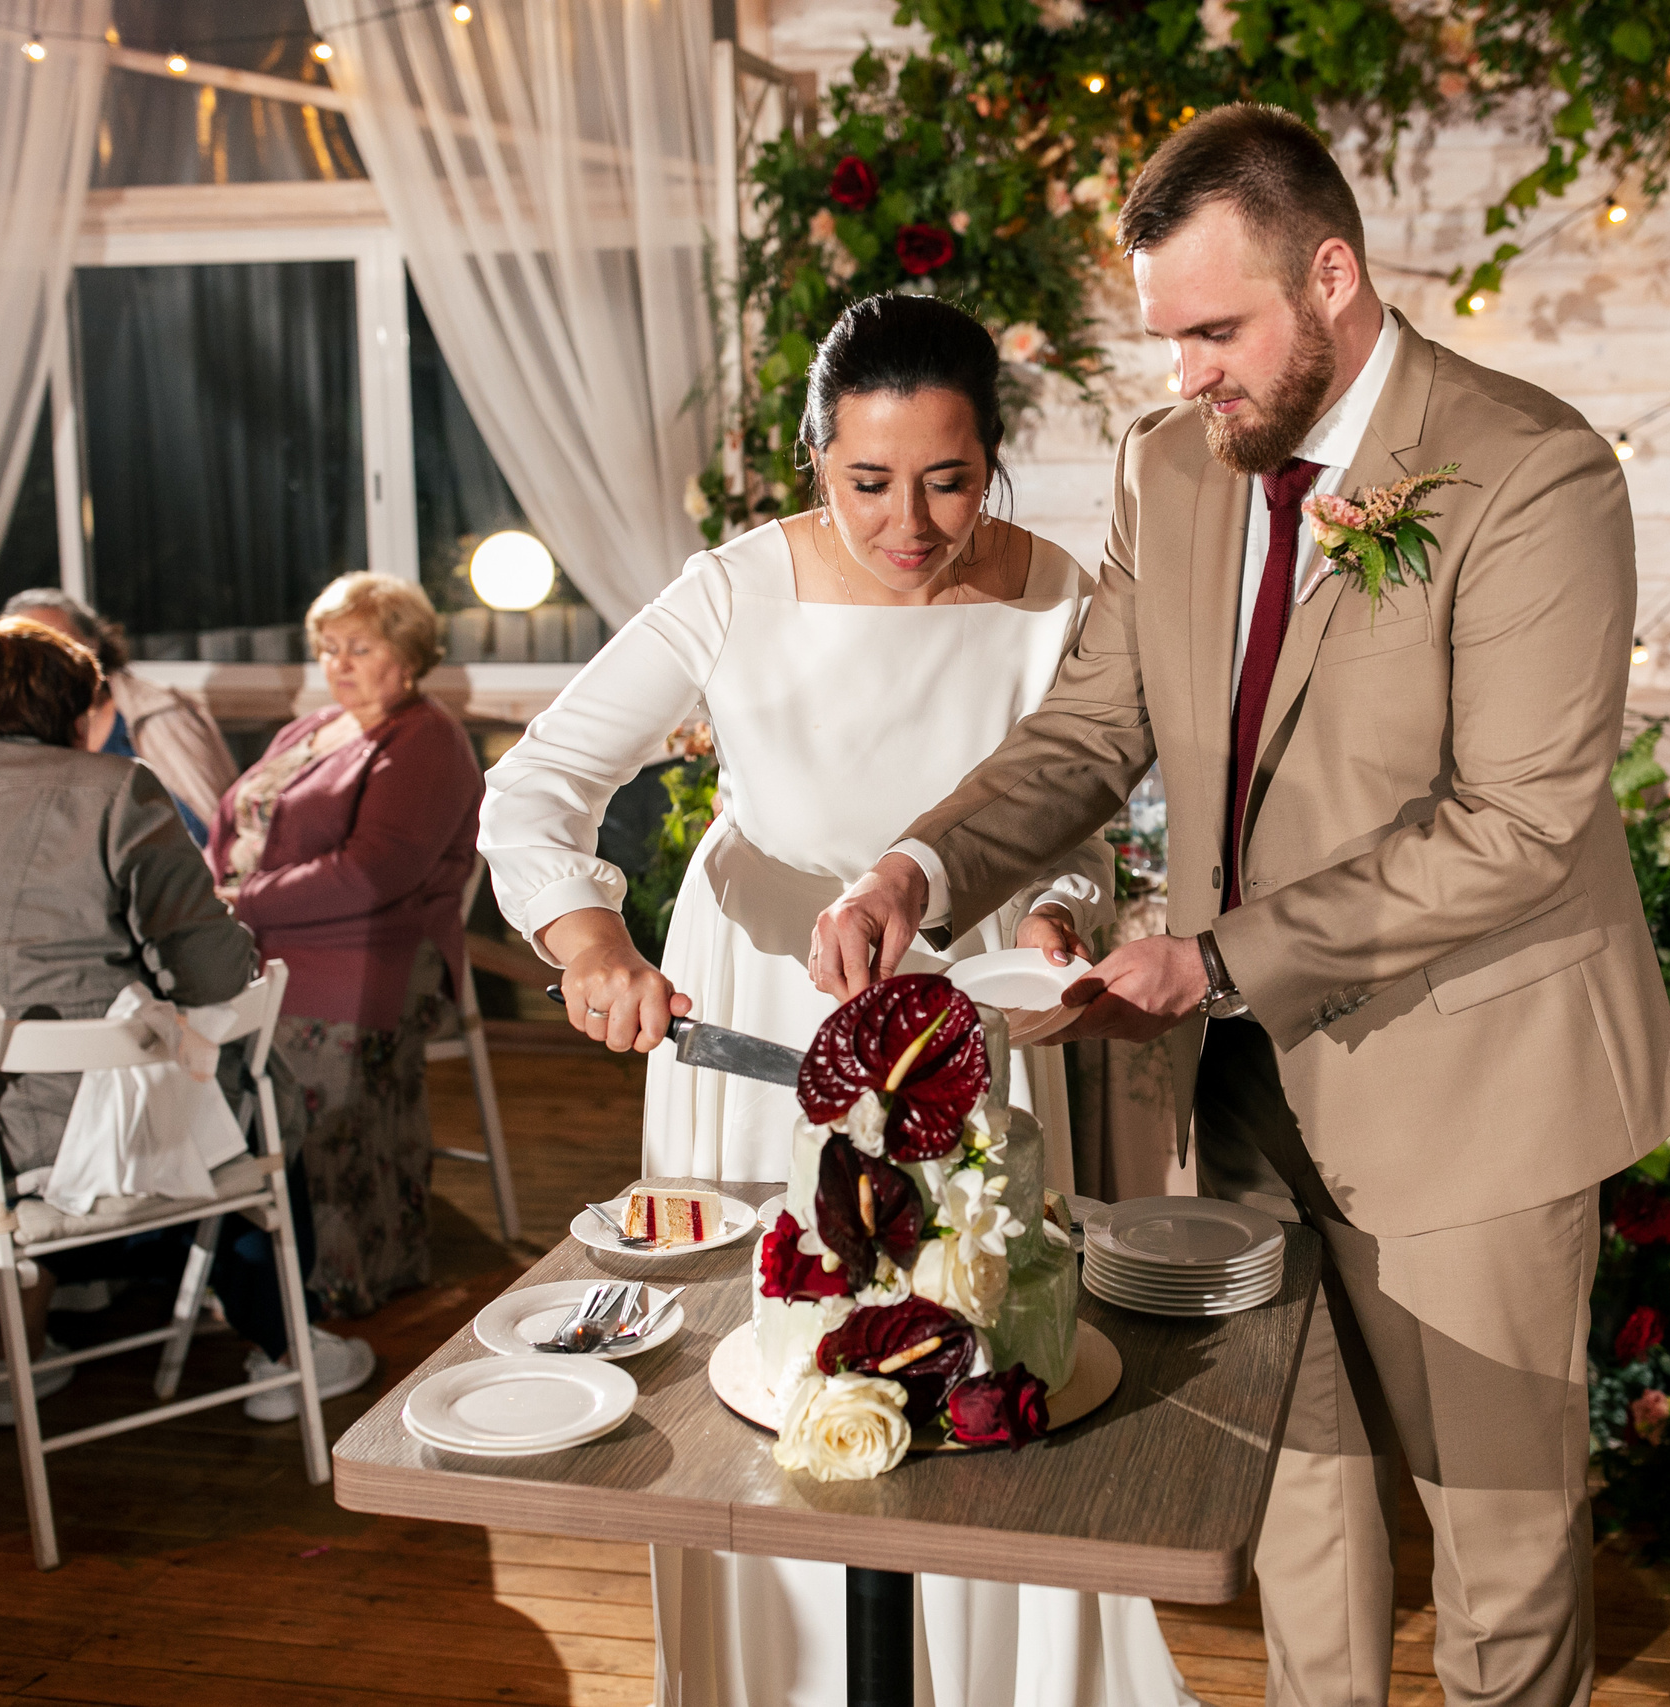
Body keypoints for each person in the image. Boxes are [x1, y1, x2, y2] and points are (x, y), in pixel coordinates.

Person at [815, 108, 1670, 1707]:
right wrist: (916, 870)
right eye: (1167, 337)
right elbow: (1090, 728)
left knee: (1497, 1555)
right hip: (1243, 1092)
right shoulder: (1172, 469)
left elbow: (1516, 824)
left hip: (1475, 1097)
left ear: (1335, 276)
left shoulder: (1532, 470)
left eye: (1216, 330)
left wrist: (1212, 955)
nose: (1186, 375)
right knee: (1300, 1513)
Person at [479, 293, 1193, 1707]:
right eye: (869, 481)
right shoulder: (734, 585)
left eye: (947, 477)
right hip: (760, 987)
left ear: (994, 458)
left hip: (963, 1001)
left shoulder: (1058, 590)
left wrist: (1057, 914)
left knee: (978, 1324)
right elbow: (539, 783)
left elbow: (1071, 816)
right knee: (778, 1355)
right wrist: (590, 944)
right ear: (818, 461)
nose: (909, 519)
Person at [0, 618, 376, 1426]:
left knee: (135, 1071)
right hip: (98, 1142)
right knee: (253, 1079)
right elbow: (216, 969)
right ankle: (285, 1351)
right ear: (75, 706)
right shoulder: (114, 788)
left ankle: (19, 1357)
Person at [207, 573, 485, 1318]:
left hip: (370, 952)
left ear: (409, 655)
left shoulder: (426, 737)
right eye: (329, 648)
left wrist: (241, 901)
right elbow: (232, 821)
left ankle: (336, 1277)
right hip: (263, 944)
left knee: (303, 1092)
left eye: (360, 647)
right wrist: (210, 895)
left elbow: (372, 873)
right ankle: (243, 1270)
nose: (341, 663)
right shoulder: (310, 728)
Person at [1, 587, 239, 843]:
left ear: (93, 643)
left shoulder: (158, 712)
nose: (51, 663)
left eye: (63, 645)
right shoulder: (7, 736)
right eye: (33, 653)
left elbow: (216, 822)